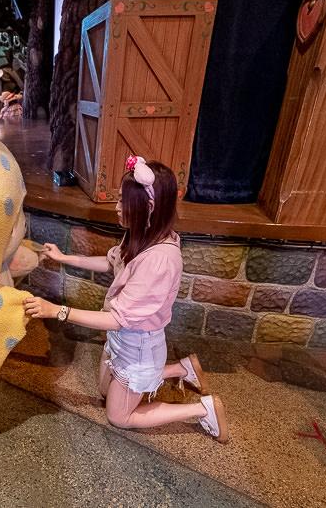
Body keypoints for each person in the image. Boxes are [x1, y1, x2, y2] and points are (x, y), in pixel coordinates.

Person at [23, 157, 229, 443]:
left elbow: (117, 319)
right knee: (106, 394)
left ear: (150, 208)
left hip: (139, 348)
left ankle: (204, 409)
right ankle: (184, 369)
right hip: (122, 340)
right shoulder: (143, 233)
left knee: (118, 416)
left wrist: (57, 311)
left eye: (124, 201)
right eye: (120, 198)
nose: (118, 207)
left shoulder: (159, 260)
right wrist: (64, 257)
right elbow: (112, 262)